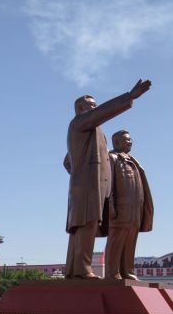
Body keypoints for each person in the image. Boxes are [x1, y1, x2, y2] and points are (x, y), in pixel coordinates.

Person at [62, 80, 151, 278]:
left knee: (89, 224)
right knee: (86, 224)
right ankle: (82, 268)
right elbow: (70, 161)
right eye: (91, 105)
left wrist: (80, 168)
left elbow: (67, 160)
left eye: (95, 105)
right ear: (80, 109)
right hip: (87, 186)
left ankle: (76, 268)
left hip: (95, 186)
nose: (95, 108)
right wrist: (129, 96)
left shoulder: (94, 132)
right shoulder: (79, 123)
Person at [104, 129, 153, 280]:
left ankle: (128, 271)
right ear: (116, 142)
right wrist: (110, 207)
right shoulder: (112, 158)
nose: (131, 142)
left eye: (131, 139)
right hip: (120, 209)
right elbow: (108, 184)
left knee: (130, 241)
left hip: (134, 210)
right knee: (116, 241)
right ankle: (113, 272)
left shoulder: (132, 160)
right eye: (127, 140)